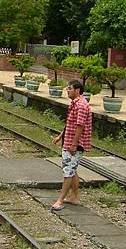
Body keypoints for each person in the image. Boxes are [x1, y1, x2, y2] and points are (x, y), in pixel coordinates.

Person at [51, 80, 92, 211]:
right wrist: (60, 136)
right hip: (69, 141)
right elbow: (70, 123)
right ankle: (74, 197)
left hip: (75, 144)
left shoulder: (81, 105)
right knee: (72, 170)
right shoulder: (74, 104)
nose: (67, 90)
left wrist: (74, 144)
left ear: (77, 90)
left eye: (69, 88)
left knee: (68, 171)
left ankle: (60, 199)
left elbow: (80, 126)